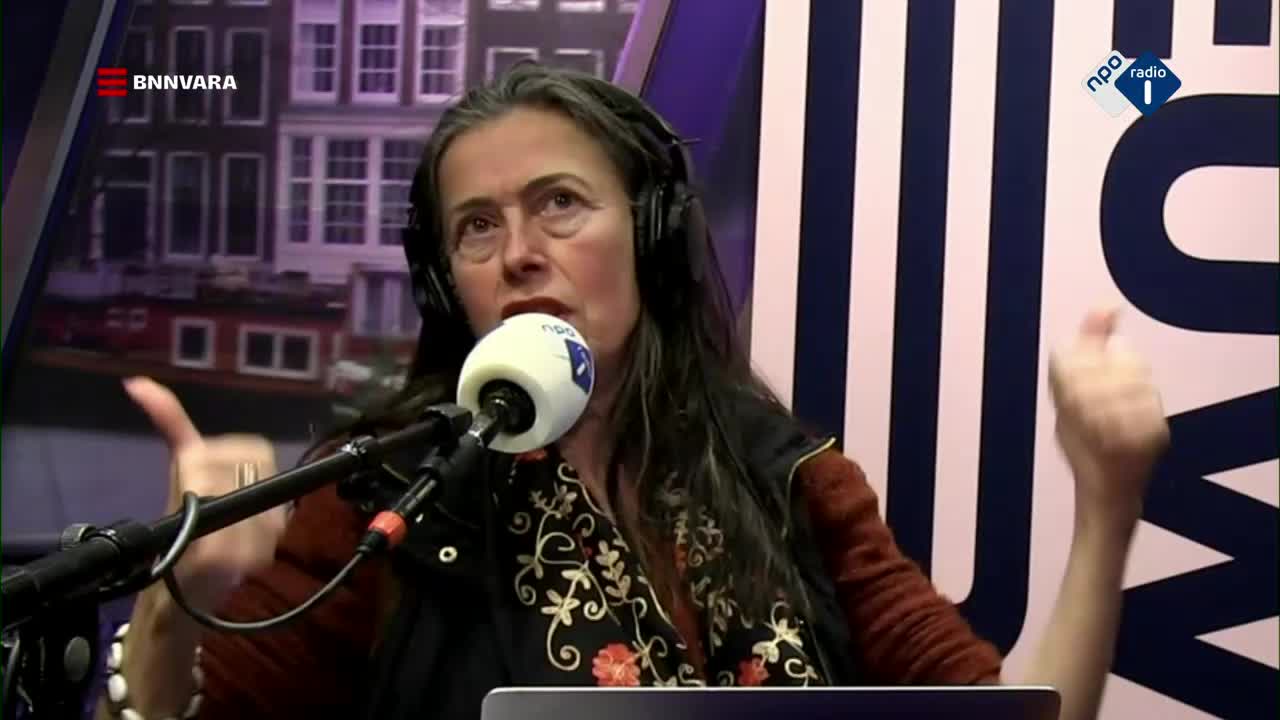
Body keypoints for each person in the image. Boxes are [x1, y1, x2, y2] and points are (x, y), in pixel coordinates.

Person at [97, 63, 1169, 720]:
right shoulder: (382, 492)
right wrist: (171, 603)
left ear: (649, 238)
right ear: (445, 281)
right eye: (477, 227)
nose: (519, 251)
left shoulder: (787, 476)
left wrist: (1106, 507)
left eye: (559, 203)